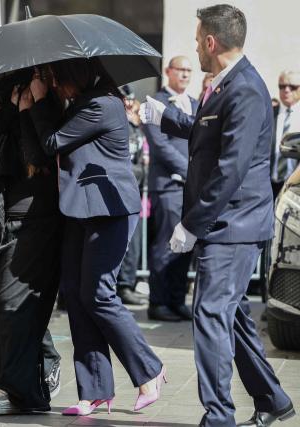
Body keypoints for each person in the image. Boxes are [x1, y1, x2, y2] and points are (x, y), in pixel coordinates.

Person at [141, 5, 295, 426]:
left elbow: (231, 167)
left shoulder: (243, 88)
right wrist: (165, 115)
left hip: (233, 226)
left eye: (197, 40)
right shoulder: (226, 86)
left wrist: (191, 224)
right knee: (234, 317)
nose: (194, 47)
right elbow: (206, 131)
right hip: (224, 224)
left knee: (209, 312)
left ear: (211, 42)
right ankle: (273, 399)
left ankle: (219, 417)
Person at [28, 58, 166, 417]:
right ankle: (95, 391)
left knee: (99, 294)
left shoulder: (102, 104)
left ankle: (149, 369)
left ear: (76, 75)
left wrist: (40, 102)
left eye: (59, 78)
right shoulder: (82, 103)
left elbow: (52, 142)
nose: (56, 85)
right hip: (80, 210)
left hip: (111, 210)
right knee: (75, 295)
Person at [0, 71, 63, 414]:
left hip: (37, 218)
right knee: (0, 307)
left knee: (14, 305)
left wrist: (28, 110)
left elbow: (38, 154)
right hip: (2, 217)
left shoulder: (48, 109)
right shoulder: (3, 110)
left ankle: (15, 388)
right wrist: (8, 110)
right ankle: (20, 388)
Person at [143, 56, 199, 322]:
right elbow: (160, 145)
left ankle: (177, 300)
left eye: (189, 70)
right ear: (168, 72)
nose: (186, 75)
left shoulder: (196, 104)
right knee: (167, 243)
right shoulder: (156, 103)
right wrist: (192, 172)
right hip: (169, 186)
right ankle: (158, 301)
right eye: (181, 70)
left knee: (185, 244)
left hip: (190, 188)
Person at [116, 92, 150, 305]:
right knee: (124, 243)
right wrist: (139, 172)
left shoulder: (136, 128)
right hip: (120, 191)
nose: (129, 105)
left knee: (133, 243)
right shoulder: (120, 125)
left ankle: (127, 283)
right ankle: (122, 285)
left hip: (133, 192)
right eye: (125, 100)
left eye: (131, 100)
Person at [270, 70, 300, 198]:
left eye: (292, 87)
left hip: (295, 188)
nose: (286, 90)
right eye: (282, 86)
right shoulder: (269, 113)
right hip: (269, 185)